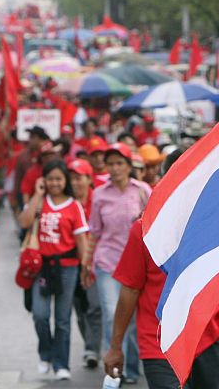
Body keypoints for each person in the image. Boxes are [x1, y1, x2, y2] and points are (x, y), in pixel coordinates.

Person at [103, 217, 219, 388]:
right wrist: (115, 347)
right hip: (161, 343)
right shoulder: (145, 228)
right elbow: (130, 289)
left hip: (208, 336)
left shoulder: (218, 219)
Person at [83, 142, 151, 384]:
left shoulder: (142, 190)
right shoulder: (99, 194)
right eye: (110, 163)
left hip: (135, 264)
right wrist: (87, 262)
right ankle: (113, 370)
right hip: (107, 262)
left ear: (128, 165)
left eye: (119, 163)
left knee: (131, 317)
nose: (114, 168)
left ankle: (131, 368)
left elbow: (153, 225)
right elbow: (94, 232)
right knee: (112, 314)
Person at [18, 159, 89, 380]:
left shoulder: (74, 205)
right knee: (40, 314)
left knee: (62, 318)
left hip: (67, 269)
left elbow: (81, 240)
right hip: (42, 267)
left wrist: (85, 266)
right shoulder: (39, 202)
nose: (54, 183)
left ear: (65, 180)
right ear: (44, 180)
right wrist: (37, 195)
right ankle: (45, 352)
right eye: (50, 179)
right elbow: (24, 222)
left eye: (59, 179)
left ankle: (61, 363)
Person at [68, 157, 102, 370]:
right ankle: (90, 342)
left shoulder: (98, 200)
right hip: (70, 263)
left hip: (95, 262)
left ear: (89, 179)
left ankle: (92, 349)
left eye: (79, 177)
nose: (75, 182)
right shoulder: (67, 202)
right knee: (80, 309)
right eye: (71, 178)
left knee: (95, 307)